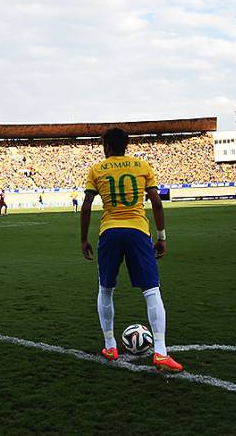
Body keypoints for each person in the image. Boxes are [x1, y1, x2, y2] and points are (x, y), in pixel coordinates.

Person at [79, 128, 182, 372]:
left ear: (106, 146)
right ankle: (160, 352)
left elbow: (85, 207)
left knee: (106, 289)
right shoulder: (142, 166)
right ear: (127, 145)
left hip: (110, 232)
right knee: (151, 290)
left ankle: (110, 345)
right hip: (138, 231)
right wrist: (161, 237)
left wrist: (83, 239)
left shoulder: (97, 169)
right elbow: (156, 202)